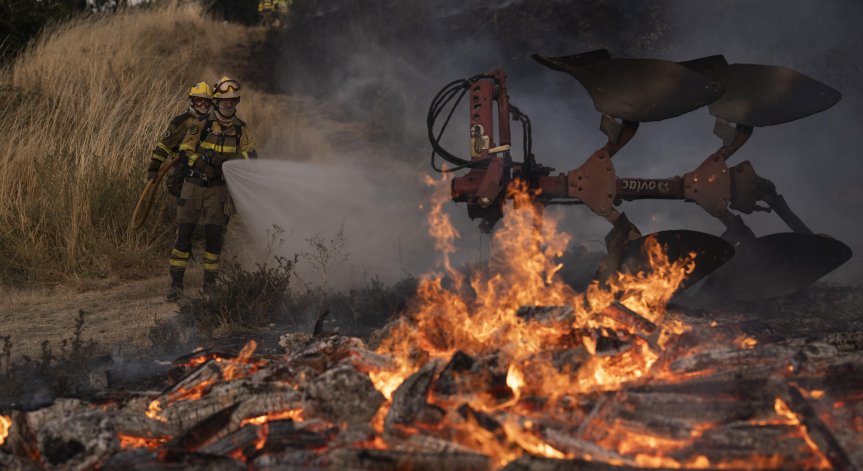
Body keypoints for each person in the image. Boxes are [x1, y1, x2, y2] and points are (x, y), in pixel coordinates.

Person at [166, 76, 257, 301]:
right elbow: (185, 150)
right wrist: (203, 165)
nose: (229, 104)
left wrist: (227, 160)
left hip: (218, 190)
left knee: (214, 239)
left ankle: (210, 287)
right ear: (216, 101)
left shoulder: (241, 130)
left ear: (237, 101)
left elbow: (251, 156)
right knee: (184, 237)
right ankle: (176, 286)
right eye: (224, 100)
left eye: (233, 100)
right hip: (193, 186)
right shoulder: (202, 124)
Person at [147, 82, 212, 193]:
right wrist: (153, 169)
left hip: (206, 175)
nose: (203, 105)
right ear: (192, 101)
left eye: (206, 102)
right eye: (199, 101)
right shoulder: (181, 122)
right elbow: (163, 147)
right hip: (184, 173)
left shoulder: (212, 123)